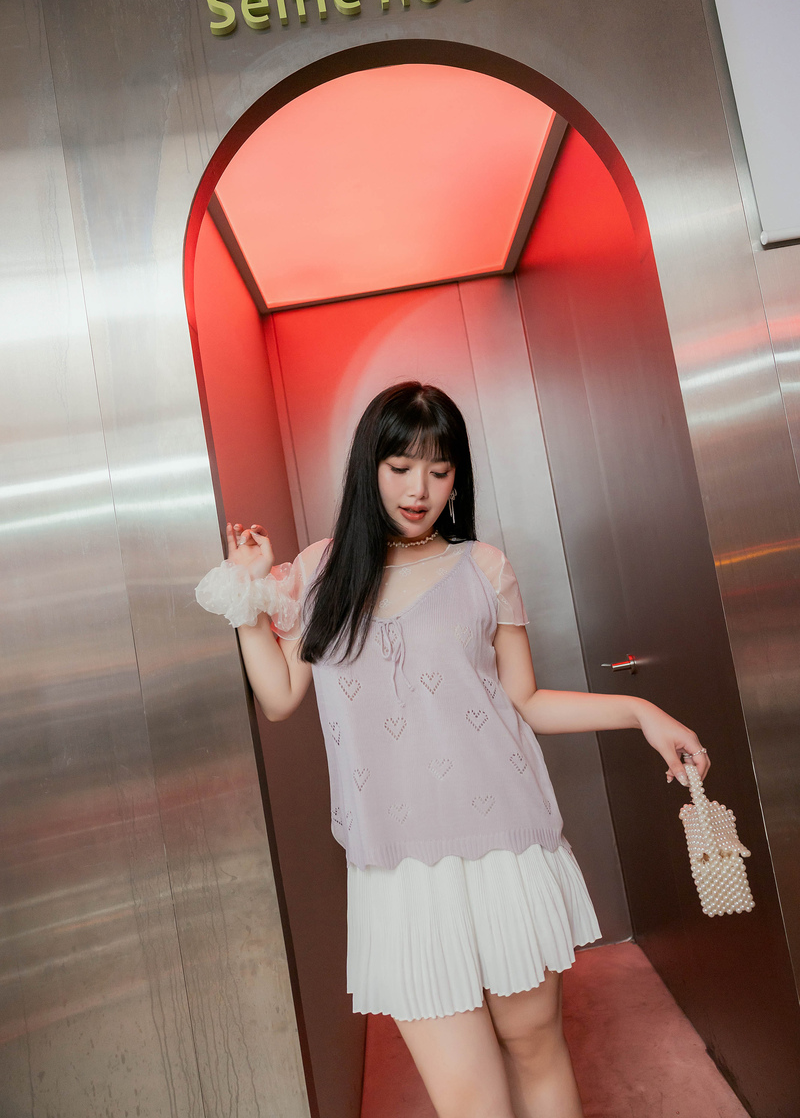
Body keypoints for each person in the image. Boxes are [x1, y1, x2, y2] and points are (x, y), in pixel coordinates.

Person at [195, 381, 710, 1118]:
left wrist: (640, 711)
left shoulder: (484, 568)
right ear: (369, 467)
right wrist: (248, 597)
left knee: (536, 1049)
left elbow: (526, 699)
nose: (420, 490)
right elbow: (278, 697)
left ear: (457, 477)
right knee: (469, 1099)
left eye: (439, 471)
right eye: (401, 467)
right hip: (397, 867)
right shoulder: (318, 573)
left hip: (504, 848)